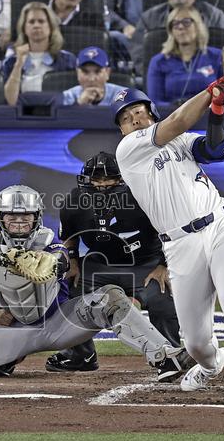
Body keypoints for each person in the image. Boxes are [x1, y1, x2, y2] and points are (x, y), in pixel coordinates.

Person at [0, 185, 190, 380]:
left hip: (61, 322)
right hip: (14, 328)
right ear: (0, 217)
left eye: (26, 217)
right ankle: (4, 358)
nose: (20, 223)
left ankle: (164, 357)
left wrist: (51, 262)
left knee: (109, 297)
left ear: (37, 217)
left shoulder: (48, 240)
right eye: (12, 217)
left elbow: (62, 257)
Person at [111, 81, 224, 404]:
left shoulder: (179, 141)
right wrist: (211, 92)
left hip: (220, 226)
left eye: (138, 111)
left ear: (151, 112)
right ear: (122, 129)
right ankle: (212, 364)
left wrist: (218, 110)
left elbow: (215, 150)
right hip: (180, 246)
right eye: (126, 118)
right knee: (195, 343)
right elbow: (179, 120)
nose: (134, 119)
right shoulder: (127, 152)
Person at [45, 153, 195, 380]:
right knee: (67, 291)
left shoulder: (144, 197)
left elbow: (172, 231)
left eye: (109, 179)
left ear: (122, 179)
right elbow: (69, 238)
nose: (103, 184)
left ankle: (170, 356)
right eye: (97, 179)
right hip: (99, 264)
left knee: (160, 298)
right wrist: (72, 262)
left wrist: (164, 265)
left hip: (144, 264)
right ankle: (81, 356)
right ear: (87, 180)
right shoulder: (75, 200)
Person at [146, 6, 223, 108]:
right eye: (175, 24)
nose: (180, 27)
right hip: (172, 116)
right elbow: (155, 101)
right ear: (171, 31)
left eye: (186, 22)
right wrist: (179, 108)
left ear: (198, 26)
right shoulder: (159, 61)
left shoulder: (216, 56)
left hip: (209, 114)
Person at [1, 2, 76, 105]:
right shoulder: (11, 62)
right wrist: (18, 64)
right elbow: (11, 101)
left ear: (50, 26)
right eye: (31, 22)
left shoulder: (67, 60)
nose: (36, 25)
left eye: (41, 21)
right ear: (24, 28)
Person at [61, 47, 128, 106]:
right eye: (85, 72)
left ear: (107, 73)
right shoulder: (68, 96)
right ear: (77, 73)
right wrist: (78, 104)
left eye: (97, 72)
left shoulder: (124, 95)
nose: (91, 79)